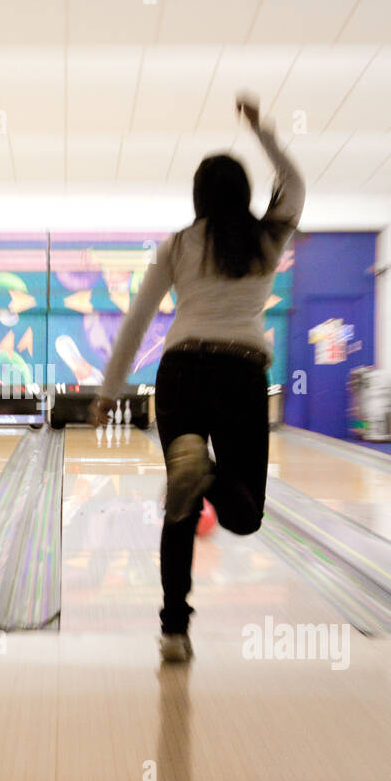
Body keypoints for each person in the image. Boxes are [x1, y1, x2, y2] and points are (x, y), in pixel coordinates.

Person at [91, 93, 305, 663]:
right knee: (243, 516)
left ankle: (174, 631)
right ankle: (204, 475)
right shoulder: (267, 239)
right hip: (239, 373)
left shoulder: (179, 244)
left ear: (197, 197)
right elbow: (295, 184)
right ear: (245, 194)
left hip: (180, 372)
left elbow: (137, 320)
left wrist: (110, 391)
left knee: (178, 512)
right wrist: (263, 133)